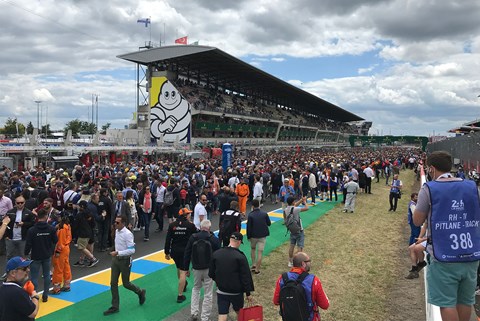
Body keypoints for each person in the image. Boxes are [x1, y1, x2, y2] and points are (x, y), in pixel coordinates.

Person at [413, 150, 480, 321]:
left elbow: (417, 220)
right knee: (465, 300)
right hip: (470, 252)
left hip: (444, 254)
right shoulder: (471, 186)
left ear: (432, 169)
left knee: (447, 303)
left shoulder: (429, 188)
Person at [103, 215, 146, 316]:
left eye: (117, 222)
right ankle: (115, 306)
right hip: (116, 260)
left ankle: (140, 292)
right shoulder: (117, 231)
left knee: (126, 283)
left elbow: (132, 250)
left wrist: (118, 253)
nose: (115, 224)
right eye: (115, 222)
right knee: (113, 283)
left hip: (125, 261)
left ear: (123, 224)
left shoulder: (128, 234)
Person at [209, 232, 254, 321]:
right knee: (239, 312)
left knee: (222, 314)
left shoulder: (216, 254)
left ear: (230, 240)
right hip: (236, 292)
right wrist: (248, 293)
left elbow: (211, 273)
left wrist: (218, 281)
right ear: (239, 242)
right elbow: (245, 276)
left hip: (221, 290)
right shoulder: (240, 257)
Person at [273, 252, 329, 321]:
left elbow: (276, 301)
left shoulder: (282, 278)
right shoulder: (314, 281)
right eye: (309, 261)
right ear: (303, 263)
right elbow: (325, 305)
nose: (310, 263)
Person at [184, 219, 220, 321]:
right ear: (209, 228)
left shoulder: (193, 237)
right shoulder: (213, 239)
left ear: (200, 227)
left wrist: (186, 268)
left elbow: (187, 253)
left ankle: (194, 313)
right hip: (209, 269)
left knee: (196, 289)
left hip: (196, 268)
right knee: (208, 293)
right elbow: (218, 255)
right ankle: (205, 317)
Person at [24, 208, 58, 302]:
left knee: (34, 276)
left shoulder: (32, 230)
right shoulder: (51, 228)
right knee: (47, 275)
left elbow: (28, 244)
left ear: (37, 217)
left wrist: (26, 253)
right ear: (46, 216)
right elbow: (55, 240)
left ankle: (34, 295)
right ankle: (45, 295)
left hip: (35, 256)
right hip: (47, 255)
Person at [164, 207, 197, 303]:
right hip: (185, 251)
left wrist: (166, 252)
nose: (190, 215)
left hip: (174, 251)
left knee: (179, 268)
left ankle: (183, 283)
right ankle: (180, 295)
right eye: (189, 214)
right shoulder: (190, 225)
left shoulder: (172, 225)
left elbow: (168, 239)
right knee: (183, 272)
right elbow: (196, 237)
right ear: (185, 215)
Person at [0, 257, 39, 321]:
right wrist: (35, 297)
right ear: (13, 273)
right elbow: (32, 313)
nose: (28, 270)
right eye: (24, 269)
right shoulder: (17, 292)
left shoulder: (2, 288)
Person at [4, 195, 35, 260]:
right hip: (10, 238)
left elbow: (32, 224)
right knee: (9, 256)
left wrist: (24, 224)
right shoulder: (10, 212)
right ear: (15, 203)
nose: (20, 204)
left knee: (23, 256)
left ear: (24, 202)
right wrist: (6, 235)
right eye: (18, 203)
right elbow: (5, 224)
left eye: (22, 202)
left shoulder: (29, 212)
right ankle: (10, 269)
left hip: (23, 239)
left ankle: (23, 270)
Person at [246, 199, 271, 274]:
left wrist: (248, 236)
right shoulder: (264, 213)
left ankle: (253, 264)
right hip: (262, 235)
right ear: (259, 205)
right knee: (260, 252)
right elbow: (269, 223)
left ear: (252, 206)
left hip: (253, 235)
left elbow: (248, 227)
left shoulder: (250, 215)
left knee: (253, 249)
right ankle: (257, 269)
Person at [51, 214, 72, 293]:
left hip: (61, 249)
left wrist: (57, 251)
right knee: (66, 266)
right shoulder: (68, 226)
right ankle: (67, 284)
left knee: (58, 267)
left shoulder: (62, 228)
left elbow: (61, 241)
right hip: (66, 248)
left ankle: (57, 287)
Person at [285, 196, 308, 267]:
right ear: (293, 202)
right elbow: (307, 208)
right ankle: (298, 262)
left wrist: (301, 200)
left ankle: (290, 261)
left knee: (292, 245)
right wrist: (304, 202)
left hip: (292, 230)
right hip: (299, 230)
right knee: (300, 247)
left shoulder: (286, 209)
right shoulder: (296, 209)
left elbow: (294, 205)